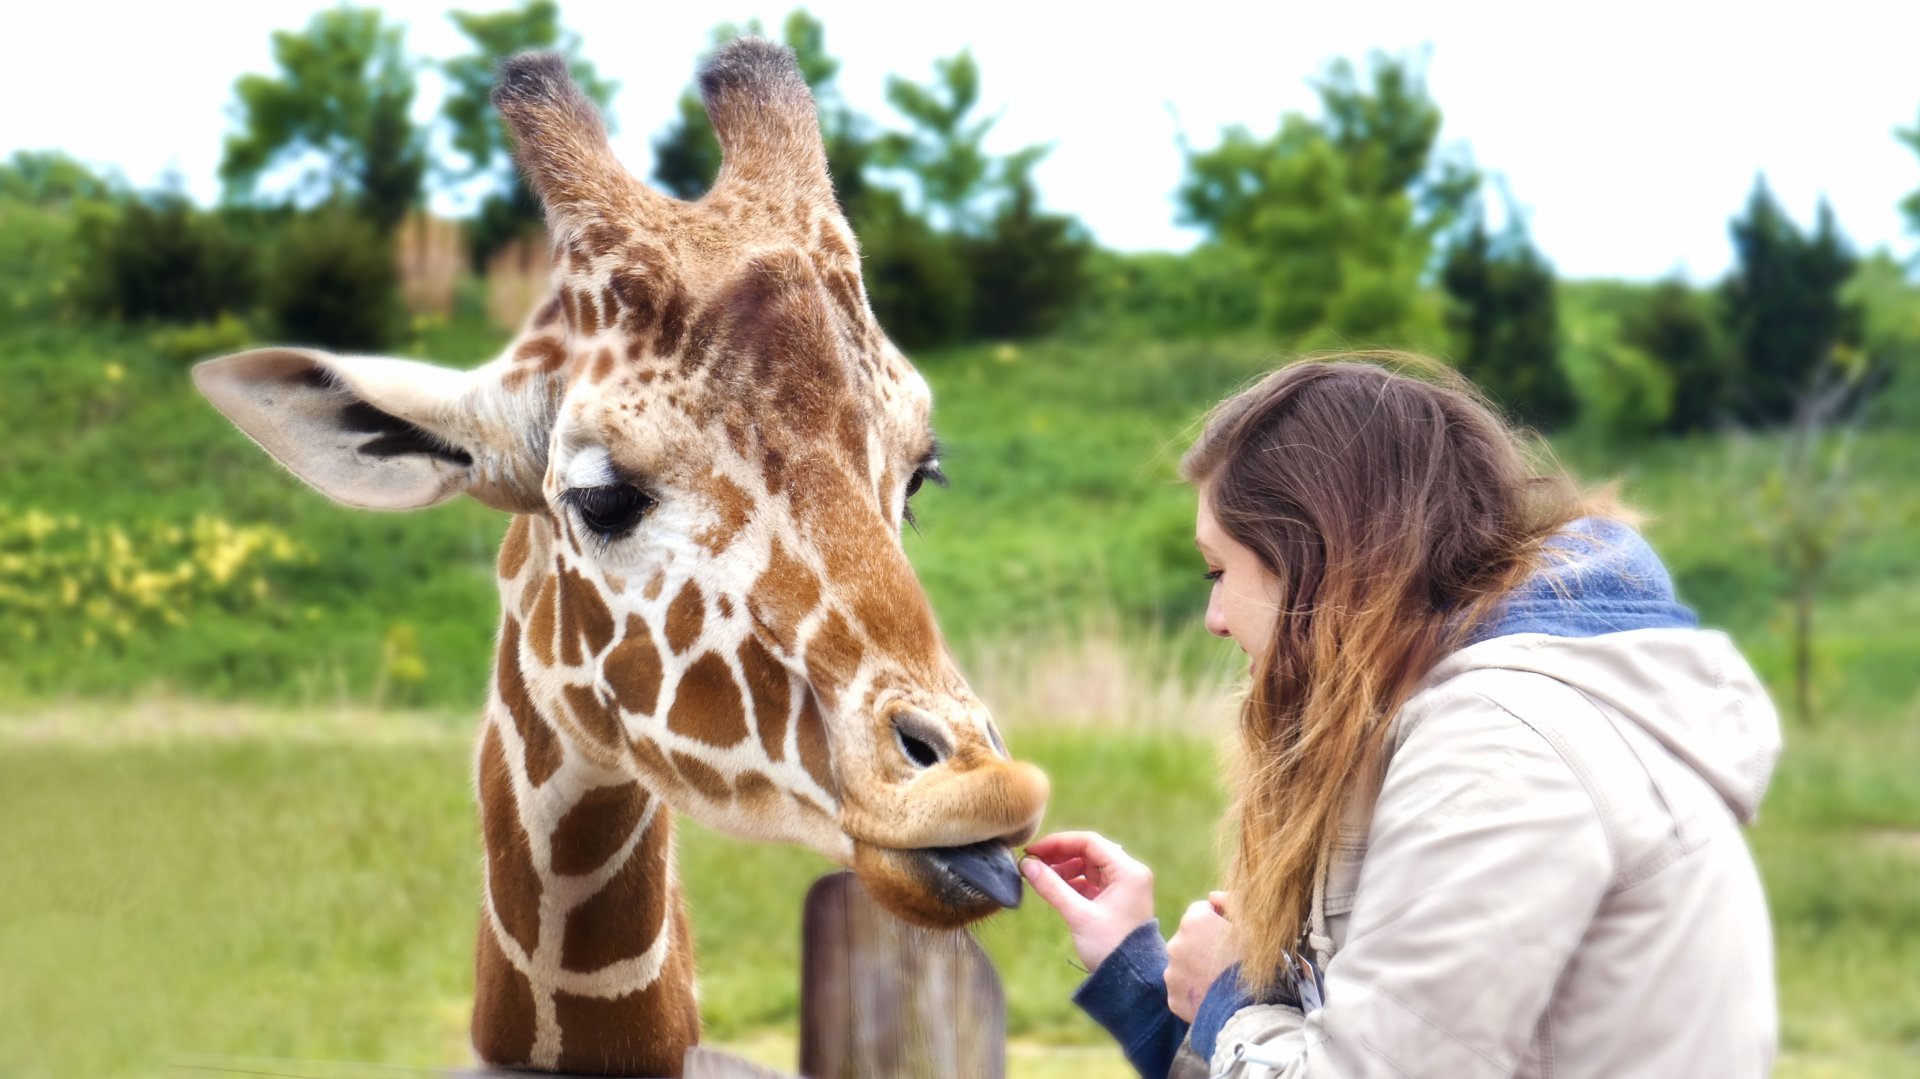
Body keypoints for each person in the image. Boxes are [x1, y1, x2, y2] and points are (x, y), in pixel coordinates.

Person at [1020, 357, 1781, 1078]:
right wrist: (1142, 976)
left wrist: (1226, 996)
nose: (1215, 618)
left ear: (1319, 557)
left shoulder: (1501, 749)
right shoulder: (1446, 725)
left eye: (1220, 571)